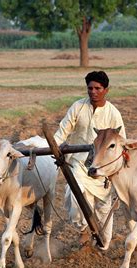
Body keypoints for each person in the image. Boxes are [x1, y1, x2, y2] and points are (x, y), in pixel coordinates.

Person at [54, 70, 126, 250]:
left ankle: (100, 241)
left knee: (104, 226)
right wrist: (53, 148)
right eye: (90, 88)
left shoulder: (113, 114)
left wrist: (115, 173)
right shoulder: (78, 107)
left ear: (106, 90)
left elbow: (120, 144)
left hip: (103, 170)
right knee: (76, 197)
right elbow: (61, 133)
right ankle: (84, 229)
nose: (93, 92)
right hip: (78, 163)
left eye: (98, 88)